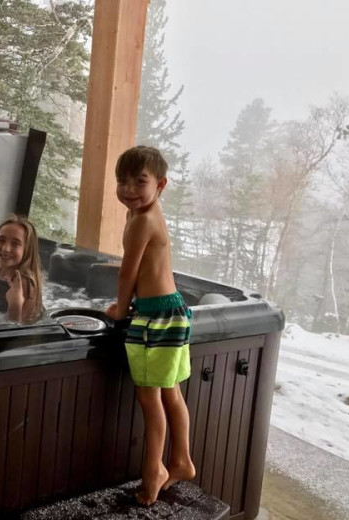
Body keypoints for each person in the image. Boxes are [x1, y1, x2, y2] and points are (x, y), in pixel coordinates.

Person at [104, 146, 195, 506]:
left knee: (149, 398)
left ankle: (154, 469)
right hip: (172, 311)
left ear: (161, 184)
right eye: (122, 181)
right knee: (170, 391)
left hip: (156, 318)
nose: (128, 189)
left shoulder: (142, 220)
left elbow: (129, 270)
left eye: (138, 181)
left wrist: (120, 308)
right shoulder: (146, 212)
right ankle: (182, 459)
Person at [0, 215, 44, 324]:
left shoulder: (27, 284)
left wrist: (15, 304)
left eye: (15, 243)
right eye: (1, 240)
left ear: (27, 249)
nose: (5, 248)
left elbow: (18, 332)